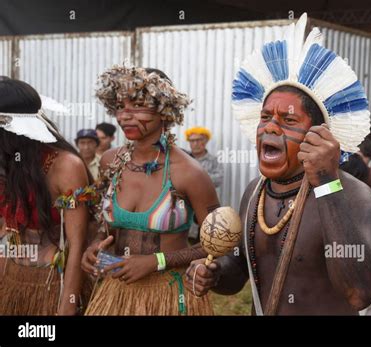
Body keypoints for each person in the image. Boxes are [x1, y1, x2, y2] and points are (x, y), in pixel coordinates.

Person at [184, 14, 371, 315]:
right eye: (266, 117)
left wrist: (327, 182)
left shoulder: (354, 195)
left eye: (288, 120)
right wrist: (214, 273)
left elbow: (359, 294)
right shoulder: (255, 193)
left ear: (320, 135)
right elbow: (238, 272)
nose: (271, 128)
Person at [81, 65, 219, 315]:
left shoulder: (189, 173)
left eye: (137, 106)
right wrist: (95, 244)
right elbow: (105, 226)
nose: (125, 116)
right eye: (121, 106)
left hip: (169, 295)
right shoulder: (110, 162)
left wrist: (157, 261)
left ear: (164, 110)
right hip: (116, 294)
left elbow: (218, 244)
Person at [0, 76, 95, 315]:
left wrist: (67, 306)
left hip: (51, 283)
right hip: (9, 276)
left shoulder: (66, 166)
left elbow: (76, 245)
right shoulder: (8, 162)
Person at [185, 126, 223, 245]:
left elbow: (219, 178)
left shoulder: (213, 161)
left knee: (206, 237)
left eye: (199, 140)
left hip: (205, 204)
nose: (195, 144)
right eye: (192, 141)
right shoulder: (184, 159)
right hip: (185, 206)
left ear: (205, 141)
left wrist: (195, 181)